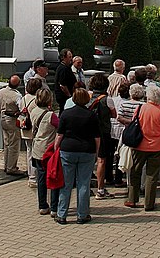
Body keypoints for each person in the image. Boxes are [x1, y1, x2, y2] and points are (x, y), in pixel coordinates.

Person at [54, 86, 101, 225]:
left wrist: (56, 148)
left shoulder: (66, 114)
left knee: (66, 184)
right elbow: (97, 137)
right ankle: (83, 214)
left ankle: (62, 214)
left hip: (68, 150)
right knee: (83, 184)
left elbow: (59, 135)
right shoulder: (91, 115)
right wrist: (97, 152)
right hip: (87, 151)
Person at [124, 85, 160, 211]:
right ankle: (149, 203)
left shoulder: (140, 108)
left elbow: (133, 122)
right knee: (152, 175)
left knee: (135, 172)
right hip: (157, 146)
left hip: (139, 145)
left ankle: (132, 199)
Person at [31, 87, 60, 216]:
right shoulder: (50, 115)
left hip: (37, 147)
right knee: (53, 177)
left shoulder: (34, 111)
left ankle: (42, 205)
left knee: (41, 178)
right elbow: (60, 127)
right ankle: (54, 207)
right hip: (49, 149)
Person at [88, 73, 116, 199]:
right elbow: (114, 114)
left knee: (89, 160)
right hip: (103, 132)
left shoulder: (88, 97)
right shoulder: (107, 99)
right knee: (101, 160)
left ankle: (86, 185)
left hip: (89, 131)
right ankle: (100, 189)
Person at [0, 75, 25, 176]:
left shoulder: (1, 91)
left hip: (3, 119)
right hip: (12, 120)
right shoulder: (17, 95)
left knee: (6, 143)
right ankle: (12, 168)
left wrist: (1, 112)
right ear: (18, 84)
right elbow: (21, 108)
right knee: (14, 145)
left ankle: (6, 165)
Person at [19, 77, 42, 187]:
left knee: (29, 152)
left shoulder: (23, 98)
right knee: (35, 153)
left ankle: (30, 176)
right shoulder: (37, 100)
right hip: (34, 129)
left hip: (24, 128)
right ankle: (34, 177)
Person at [54, 48, 76, 112]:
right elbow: (62, 85)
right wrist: (69, 95)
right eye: (69, 57)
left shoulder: (67, 67)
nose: (71, 59)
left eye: (71, 57)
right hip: (64, 97)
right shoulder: (63, 69)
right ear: (64, 57)